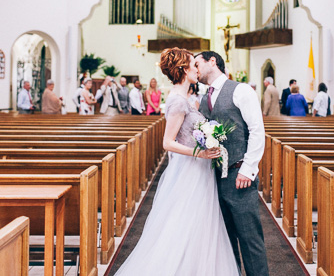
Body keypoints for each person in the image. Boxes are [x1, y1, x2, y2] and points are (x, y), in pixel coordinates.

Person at [115, 48, 239, 275]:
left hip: (200, 170)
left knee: (201, 225)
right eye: (194, 65)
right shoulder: (176, 101)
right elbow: (167, 143)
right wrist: (199, 153)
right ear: (183, 69)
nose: (197, 69)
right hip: (189, 171)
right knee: (185, 224)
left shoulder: (185, 98)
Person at [195, 50, 269, 276]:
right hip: (214, 178)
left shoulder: (241, 90)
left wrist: (248, 170)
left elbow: (257, 131)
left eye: (197, 64)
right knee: (225, 241)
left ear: (212, 61)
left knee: (249, 238)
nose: (194, 70)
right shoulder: (204, 97)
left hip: (239, 176)